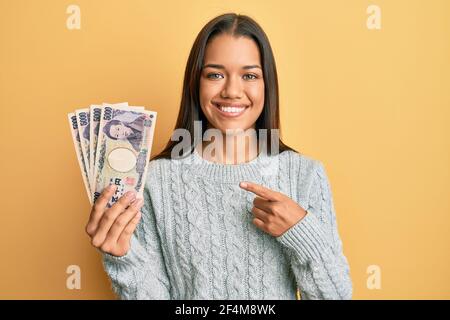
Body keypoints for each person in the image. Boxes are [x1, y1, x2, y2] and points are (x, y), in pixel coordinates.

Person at [85, 13, 353, 300]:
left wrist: (303, 233)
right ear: (195, 83)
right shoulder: (154, 181)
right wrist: (124, 259)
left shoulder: (305, 175)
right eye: (215, 74)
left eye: (249, 75)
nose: (232, 91)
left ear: (267, 85)